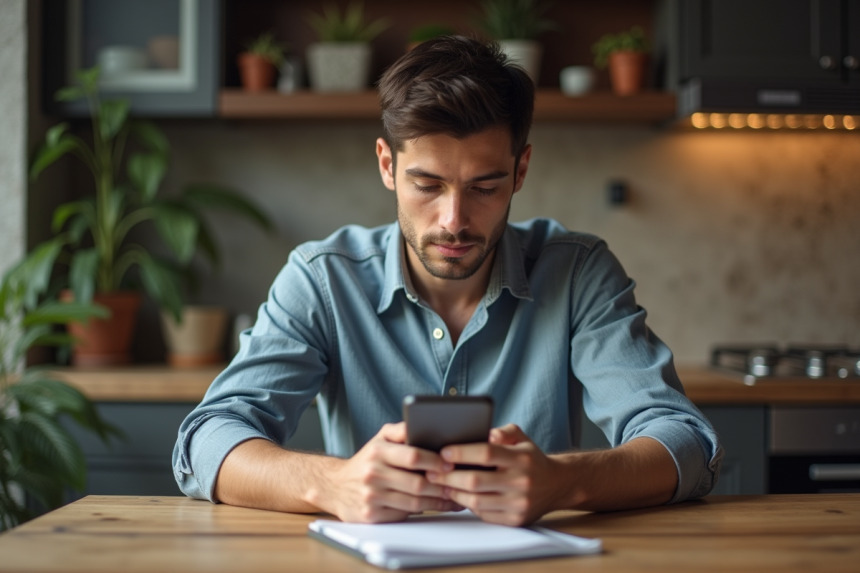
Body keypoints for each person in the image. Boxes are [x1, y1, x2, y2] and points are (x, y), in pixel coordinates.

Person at [173, 36, 723, 527]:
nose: (454, 220)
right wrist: (331, 484)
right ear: (387, 165)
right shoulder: (322, 279)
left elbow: (684, 440)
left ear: (521, 171)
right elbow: (208, 439)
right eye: (427, 185)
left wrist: (563, 481)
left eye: (484, 187)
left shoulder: (578, 271)